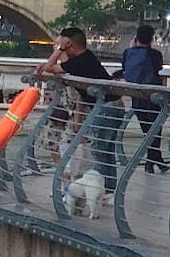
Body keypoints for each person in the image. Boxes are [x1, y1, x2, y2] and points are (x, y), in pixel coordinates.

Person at [37, 26, 118, 179]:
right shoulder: (84, 58)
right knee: (105, 152)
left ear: (69, 44)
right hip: (111, 105)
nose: (57, 48)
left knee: (100, 152)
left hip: (106, 107)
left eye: (60, 44)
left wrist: (60, 50)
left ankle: (104, 187)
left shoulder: (77, 62)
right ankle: (108, 187)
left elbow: (48, 68)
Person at [121, 24, 169, 173]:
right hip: (153, 96)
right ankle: (153, 161)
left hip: (137, 96)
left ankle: (155, 161)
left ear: (136, 37)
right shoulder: (156, 54)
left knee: (147, 130)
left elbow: (125, 68)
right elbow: (158, 69)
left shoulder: (128, 53)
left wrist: (132, 48)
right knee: (155, 130)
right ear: (152, 38)